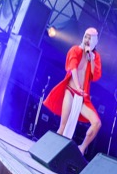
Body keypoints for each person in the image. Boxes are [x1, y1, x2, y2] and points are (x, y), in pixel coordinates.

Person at [43, 27, 103, 155]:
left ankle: (82, 148)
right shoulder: (75, 50)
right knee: (63, 125)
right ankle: (49, 151)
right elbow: (73, 69)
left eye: (90, 38)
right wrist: (78, 87)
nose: (87, 40)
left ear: (94, 41)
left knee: (97, 123)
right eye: (86, 37)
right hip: (71, 91)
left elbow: (95, 76)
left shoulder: (95, 57)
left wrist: (91, 59)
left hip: (83, 97)